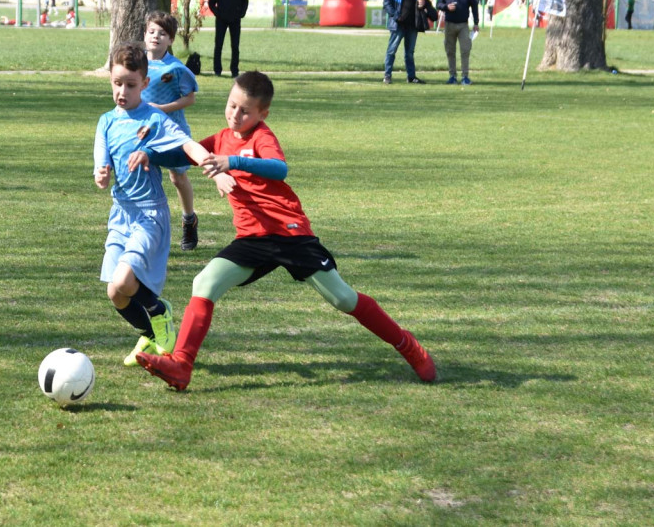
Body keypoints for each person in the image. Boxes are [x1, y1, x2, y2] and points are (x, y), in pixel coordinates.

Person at [134, 71, 437, 391]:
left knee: (343, 299)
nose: (235, 115)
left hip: (290, 234)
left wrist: (233, 161)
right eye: (232, 105)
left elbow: (280, 168)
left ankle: (408, 346)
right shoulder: (222, 138)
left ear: (262, 114)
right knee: (204, 282)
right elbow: (185, 152)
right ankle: (182, 364)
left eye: (245, 111)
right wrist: (150, 155)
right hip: (252, 238)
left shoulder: (262, 137)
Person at [94, 42, 235, 368]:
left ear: (145, 83)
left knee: (124, 282)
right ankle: (153, 333)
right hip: (121, 215)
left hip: (149, 214)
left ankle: (161, 312)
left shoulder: (154, 119)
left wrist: (211, 166)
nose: (122, 91)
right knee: (115, 294)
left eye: (131, 85)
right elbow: (102, 167)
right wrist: (101, 176)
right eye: (117, 83)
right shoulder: (106, 121)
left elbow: (188, 145)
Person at [142, 11, 202, 251]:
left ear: (171, 40)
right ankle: (149, 227)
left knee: (177, 177)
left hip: (173, 131)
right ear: (145, 34)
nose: (156, 37)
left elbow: (190, 99)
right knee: (145, 173)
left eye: (162, 33)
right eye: (152, 32)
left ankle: (189, 219)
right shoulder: (137, 63)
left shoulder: (176, 69)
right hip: (145, 132)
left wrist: (162, 109)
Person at [382, 0, 425, 84]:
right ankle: (387, 75)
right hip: (398, 25)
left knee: (410, 53)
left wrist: (422, 4)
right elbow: (386, 2)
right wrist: (396, 16)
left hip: (412, 26)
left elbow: (420, 4)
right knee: (391, 50)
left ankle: (411, 77)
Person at [436, 0, 480, 85]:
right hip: (449, 25)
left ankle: (465, 76)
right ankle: (452, 76)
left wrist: (476, 23)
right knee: (450, 51)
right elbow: (438, 4)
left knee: (465, 50)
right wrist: (446, 7)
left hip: (463, 26)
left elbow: (474, 7)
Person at [207, 0, 248, 77]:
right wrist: (218, 13)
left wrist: (241, 13)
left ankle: (234, 70)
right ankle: (217, 70)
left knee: (235, 46)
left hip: (235, 19)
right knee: (218, 45)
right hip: (221, 20)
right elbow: (211, 3)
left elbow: (245, 1)